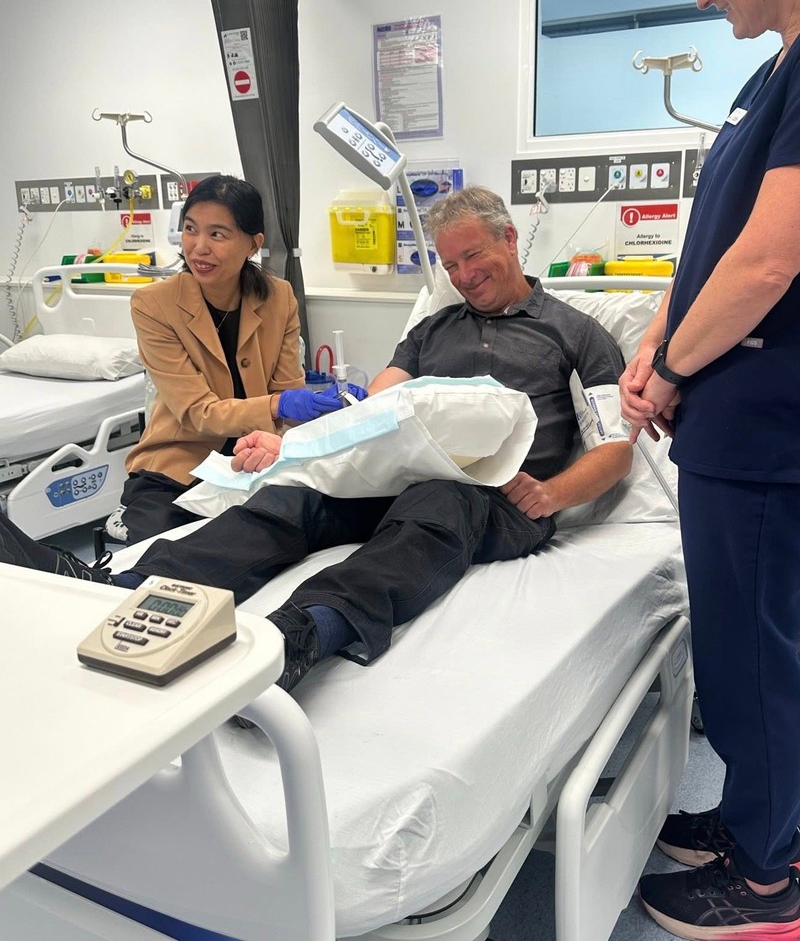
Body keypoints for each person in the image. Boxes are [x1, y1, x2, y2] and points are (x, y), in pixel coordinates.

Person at [0, 185, 631, 695]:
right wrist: (291, 451)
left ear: (510, 238)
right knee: (292, 496)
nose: (464, 276)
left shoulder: (576, 334)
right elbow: (371, 413)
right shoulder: (431, 331)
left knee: (442, 500)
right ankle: (121, 588)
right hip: (397, 479)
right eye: (451, 265)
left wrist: (550, 495)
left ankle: (306, 631)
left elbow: (615, 446)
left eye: (474, 257)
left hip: (493, 498)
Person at [620, 0, 800, 935]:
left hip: (764, 428)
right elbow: (713, 251)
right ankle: (758, 821)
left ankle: (766, 879)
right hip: (729, 421)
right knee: (746, 647)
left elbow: (770, 262)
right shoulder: (762, 78)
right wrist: (656, 341)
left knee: (755, 661)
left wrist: (674, 370)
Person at [119, 174, 362, 543]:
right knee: (162, 549)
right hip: (177, 466)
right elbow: (196, 412)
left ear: (253, 244)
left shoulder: (278, 298)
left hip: (259, 457)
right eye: (190, 229)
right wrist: (279, 404)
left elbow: (288, 397)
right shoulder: (154, 305)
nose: (199, 247)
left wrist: (329, 410)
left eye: (217, 234)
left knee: (322, 526)